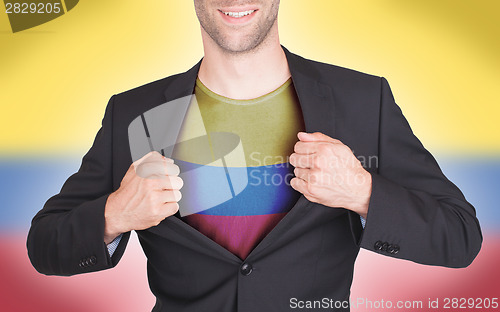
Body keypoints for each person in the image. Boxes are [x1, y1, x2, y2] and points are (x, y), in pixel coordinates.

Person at [27, 1, 482, 311]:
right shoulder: (135, 113)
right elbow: (45, 245)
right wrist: (114, 214)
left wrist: (363, 192)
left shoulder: (362, 100)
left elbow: (460, 236)